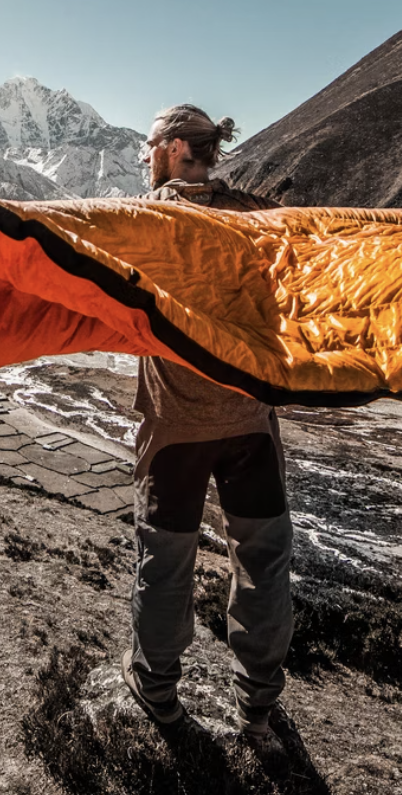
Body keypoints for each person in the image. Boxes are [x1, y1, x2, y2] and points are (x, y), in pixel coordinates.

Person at [121, 103, 293, 747]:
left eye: (147, 147)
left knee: (166, 563)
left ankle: (159, 692)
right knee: (264, 560)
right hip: (250, 421)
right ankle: (257, 709)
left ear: (169, 149)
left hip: (174, 429)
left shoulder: (142, 222)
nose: (144, 158)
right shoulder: (257, 218)